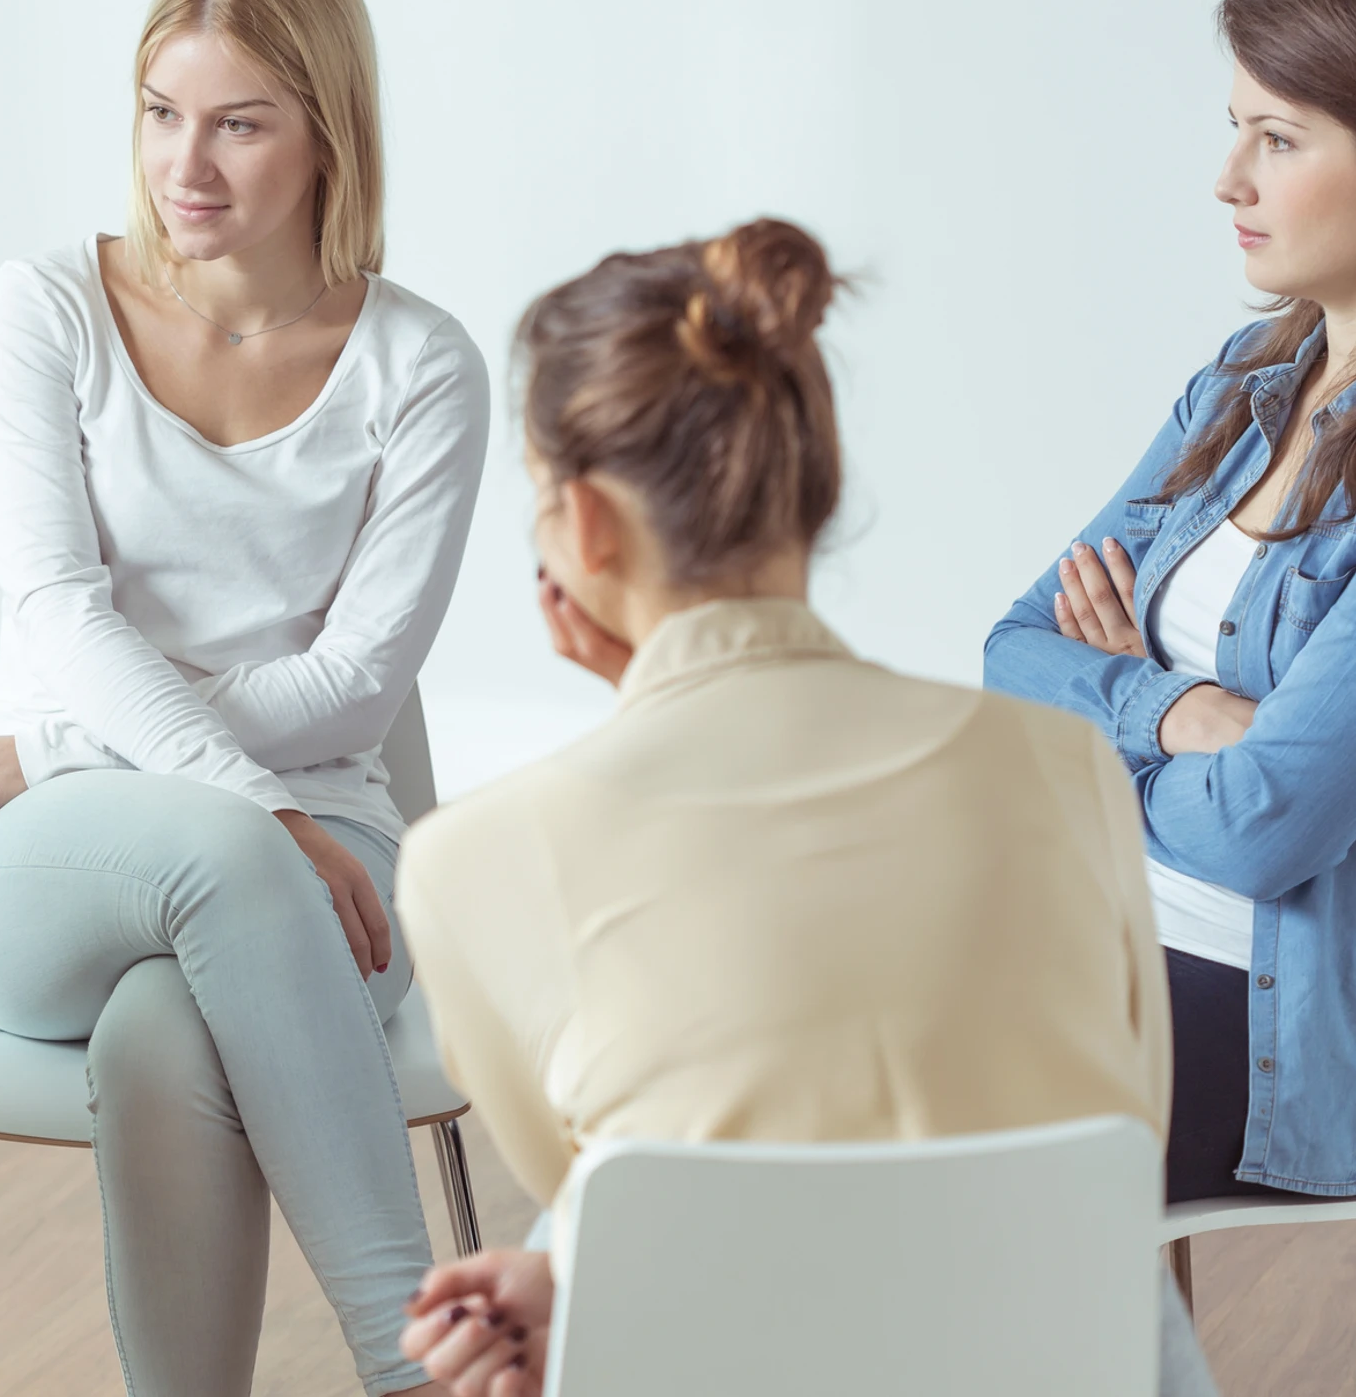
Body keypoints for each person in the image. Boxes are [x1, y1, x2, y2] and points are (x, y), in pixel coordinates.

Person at [389, 219, 1214, 1396]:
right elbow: (1108, 1132)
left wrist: (587, 1302)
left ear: (582, 527)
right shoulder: (1064, 765)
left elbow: (628, 1192)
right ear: (812, 487)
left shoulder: (467, 862)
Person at [0, 0, 489, 1397]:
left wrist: (56, 749)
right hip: (39, 858)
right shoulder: (45, 310)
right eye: (162, 114)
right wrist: (234, 798)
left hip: (307, 844)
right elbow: (56, 611)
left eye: (240, 122)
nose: (189, 164)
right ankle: (418, 1358)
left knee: (168, 1028)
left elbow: (361, 679)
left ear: (326, 133)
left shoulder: (419, 366)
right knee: (229, 857)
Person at [985, 0, 1356, 1208]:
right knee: (779, 1027)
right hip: (1091, 923)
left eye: (1280, 138)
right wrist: (1175, 707)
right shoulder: (1248, 379)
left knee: (905, 1146)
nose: (1227, 179)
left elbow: (1261, 832)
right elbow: (1016, 648)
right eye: (1234, 130)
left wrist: (1102, 714)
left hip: (1252, 1013)